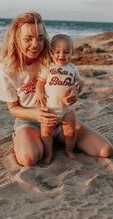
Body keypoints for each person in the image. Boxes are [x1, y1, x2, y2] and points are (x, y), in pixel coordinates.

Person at [0, 12, 113, 167]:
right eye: (28, 39)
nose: (35, 44)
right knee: (29, 158)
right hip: (29, 121)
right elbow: (13, 109)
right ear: (16, 39)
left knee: (106, 150)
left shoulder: (51, 58)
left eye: (40, 38)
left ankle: (53, 138)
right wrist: (36, 114)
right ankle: (33, 138)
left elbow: (72, 79)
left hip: (60, 118)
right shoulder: (6, 69)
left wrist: (75, 91)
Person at [35, 34, 84, 164]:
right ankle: (48, 155)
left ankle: (69, 150)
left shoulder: (72, 68)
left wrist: (78, 84)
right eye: (57, 52)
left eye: (66, 52)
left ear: (72, 52)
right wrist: (39, 93)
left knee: (71, 132)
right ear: (51, 52)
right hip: (50, 109)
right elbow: (40, 81)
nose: (62, 55)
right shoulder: (48, 67)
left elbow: (79, 80)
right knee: (47, 134)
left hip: (67, 110)